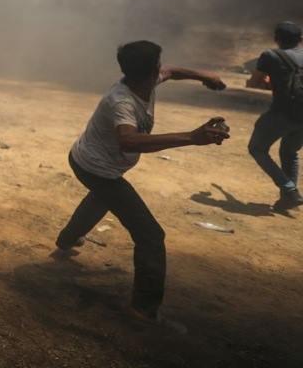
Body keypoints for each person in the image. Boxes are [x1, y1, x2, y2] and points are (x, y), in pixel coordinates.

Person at [55, 41, 229, 330]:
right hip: (97, 169)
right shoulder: (122, 102)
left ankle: (66, 240)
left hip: (87, 160)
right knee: (150, 235)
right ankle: (143, 310)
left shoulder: (143, 81)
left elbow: (172, 71)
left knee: (102, 199)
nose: (162, 68)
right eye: (159, 64)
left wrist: (204, 76)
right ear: (151, 70)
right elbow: (129, 140)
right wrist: (192, 137)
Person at [246, 21, 303, 212]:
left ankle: (289, 189)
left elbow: (254, 83)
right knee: (289, 152)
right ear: (300, 39)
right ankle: (287, 199)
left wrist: (268, 82)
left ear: (276, 39)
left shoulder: (270, 55)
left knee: (257, 149)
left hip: (282, 113)